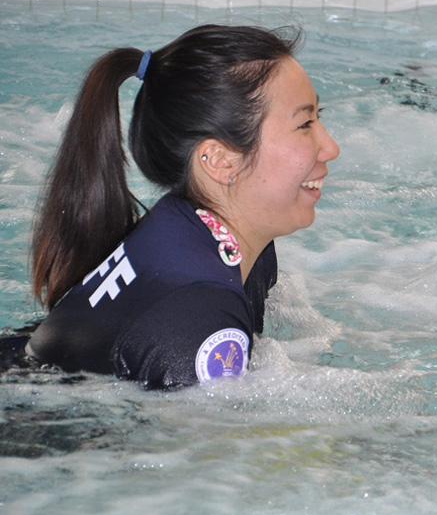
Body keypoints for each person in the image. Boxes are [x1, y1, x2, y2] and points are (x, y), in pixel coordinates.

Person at [24, 24, 340, 389]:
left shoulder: (210, 237)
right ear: (220, 161)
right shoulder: (198, 309)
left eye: (320, 115)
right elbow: (189, 441)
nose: (330, 147)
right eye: (305, 124)